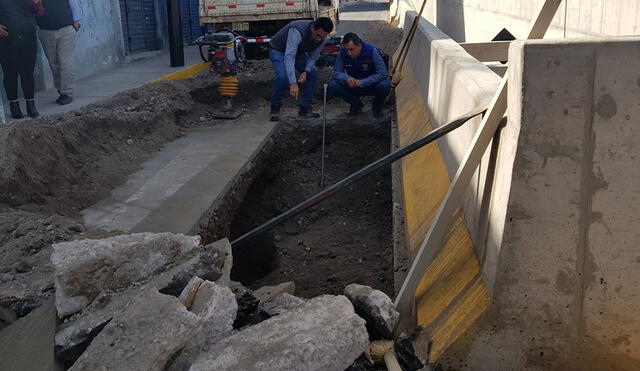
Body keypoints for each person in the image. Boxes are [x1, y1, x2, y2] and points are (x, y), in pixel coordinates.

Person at [268, 17, 334, 122]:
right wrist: (293, 83)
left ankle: (305, 108)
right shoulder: (297, 31)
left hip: (299, 52)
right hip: (278, 49)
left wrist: (306, 71)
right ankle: (275, 108)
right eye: (317, 35)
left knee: (312, 73)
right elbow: (289, 57)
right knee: (282, 77)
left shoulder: (323, 37)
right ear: (313, 28)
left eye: (322, 37)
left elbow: (314, 57)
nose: (319, 39)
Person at [328, 32, 391, 118]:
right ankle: (355, 103)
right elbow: (336, 72)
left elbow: (383, 73)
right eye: (346, 50)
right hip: (353, 85)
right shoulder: (342, 52)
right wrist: (347, 78)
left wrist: (362, 82)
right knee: (333, 85)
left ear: (359, 45)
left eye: (351, 49)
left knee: (385, 85)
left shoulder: (372, 51)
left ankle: (376, 107)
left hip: (371, 85)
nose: (349, 53)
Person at [0, 0, 44, 119]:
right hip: (6, 39)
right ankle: (14, 105)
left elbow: (40, 12)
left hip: (28, 36)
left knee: (27, 72)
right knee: (10, 73)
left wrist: (36, 3)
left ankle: (31, 104)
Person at [37, 0, 82, 105]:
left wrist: (76, 20)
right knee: (54, 64)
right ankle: (61, 91)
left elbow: (73, 2)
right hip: (45, 31)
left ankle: (67, 93)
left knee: (65, 62)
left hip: (66, 29)